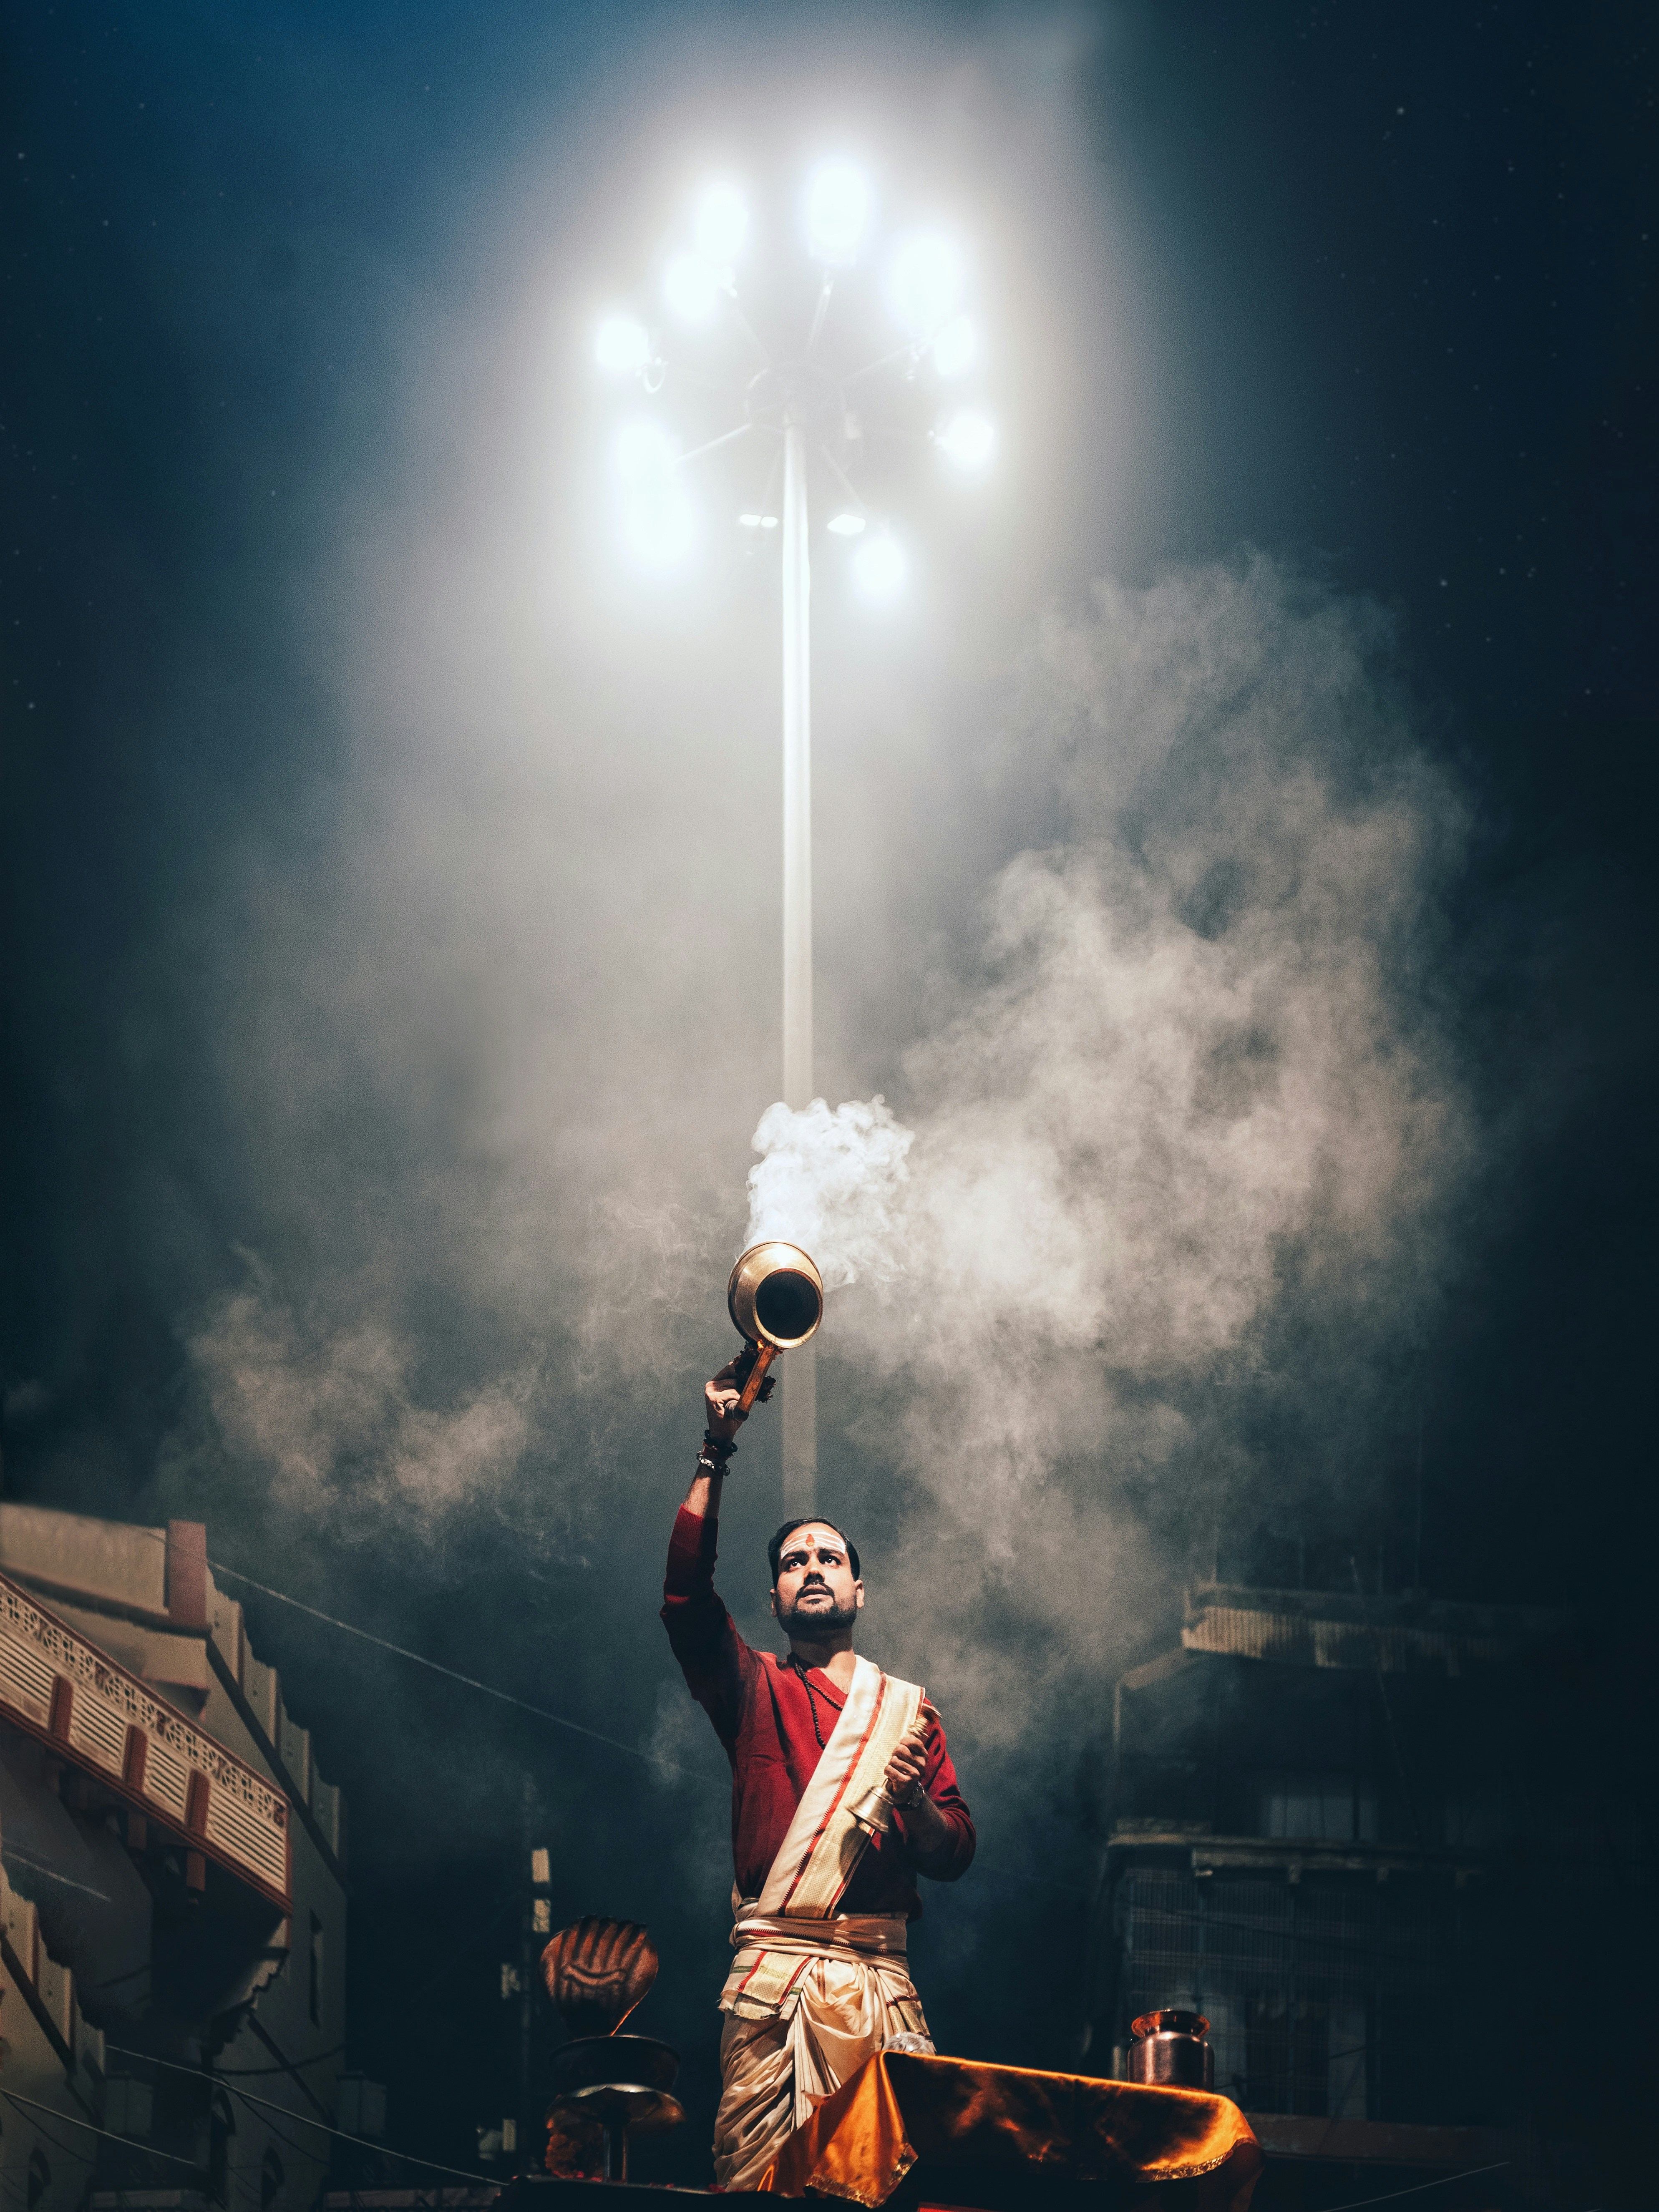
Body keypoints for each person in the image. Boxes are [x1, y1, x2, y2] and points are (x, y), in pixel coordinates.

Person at [662, 1354, 976, 2191]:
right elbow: (686, 1602)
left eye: (829, 1558)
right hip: (774, 1991)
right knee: (762, 2193)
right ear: (773, 1598)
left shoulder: (908, 1712)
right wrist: (713, 1452)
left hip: (880, 1990)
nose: (811, 1568)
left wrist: (910, 1801)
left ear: (859, 1589)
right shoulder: (752, 1685)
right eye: (795, 1562)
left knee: (891, 2192)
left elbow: (953, 1853)